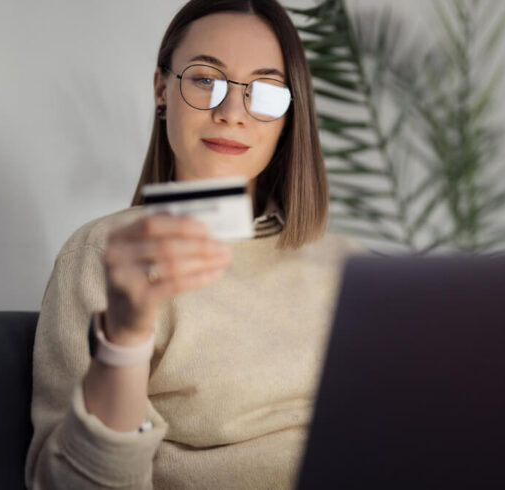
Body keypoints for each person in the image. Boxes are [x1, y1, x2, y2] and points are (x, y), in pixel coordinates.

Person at [24, 1, 368, 488]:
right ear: (162, 90)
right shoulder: (106, 256)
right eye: (206, 79)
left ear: (290, 114)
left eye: (266, 90)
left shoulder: (349, 264)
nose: (232, 113)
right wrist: (124, 341)